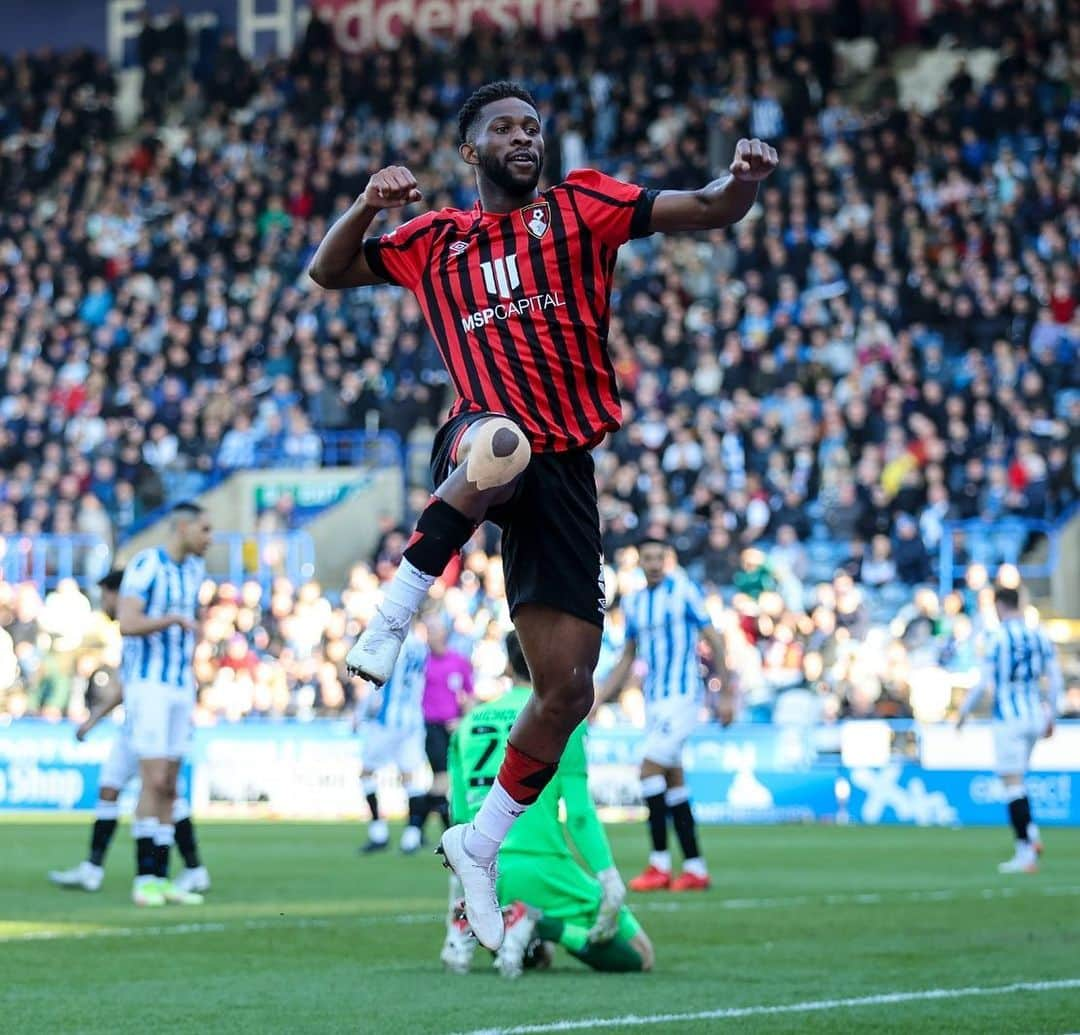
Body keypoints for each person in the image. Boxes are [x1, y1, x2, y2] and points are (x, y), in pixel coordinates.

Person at [309, 79, 777, 949]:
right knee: (500, 444)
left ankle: (478, 843)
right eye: (503, 127)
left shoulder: (582, 207)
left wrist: (742, 178)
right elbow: (328, 269)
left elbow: (709, 207)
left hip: (566, 470)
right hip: (484, 437)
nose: (524, 137)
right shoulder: (434, 239)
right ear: (470, 150)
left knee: (567, 687)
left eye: (532, 125)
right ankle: (392, 615)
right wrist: (367, 205)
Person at [443, 631, 653, 978]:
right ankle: (539, 922)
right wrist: (607, 875)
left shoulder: (468, 725)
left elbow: (460, 817)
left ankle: (501, 923)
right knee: (640, 956)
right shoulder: (561, 720)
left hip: (487, 877)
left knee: (540, 958)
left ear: (509, 665)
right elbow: (580, 814)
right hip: (543, 866)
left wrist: (460, 890)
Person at [48, 571, 210, 895]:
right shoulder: (133, 638)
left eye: (106, 596)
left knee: (164, 793)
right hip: (132, 725)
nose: (104, 604)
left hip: (153, 723)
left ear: (118, 594)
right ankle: (93, 868)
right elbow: (126, 685)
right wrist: (94, 720)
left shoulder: (143, 630)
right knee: (110, 789)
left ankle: (180, 871)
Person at [601, 538, 732, 892]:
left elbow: (713, 640)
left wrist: (727, 692)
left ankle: (659, 864)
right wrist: (598, 698)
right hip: (654, 700)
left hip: (685, 695)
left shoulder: (685, 591)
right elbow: (627, 657)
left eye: (660, 557)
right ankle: (695, 868)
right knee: (673, 781)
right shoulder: (635, 603)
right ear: (640, 561)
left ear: (668, 560)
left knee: (647, 768)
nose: (655, 563)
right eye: (649, 558)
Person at [116, 502, 212, 906]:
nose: (210, 538)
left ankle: (162, 875)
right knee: (153, 779)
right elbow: (128, 622)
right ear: (184, 527)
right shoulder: (146, 565)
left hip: (179, 686)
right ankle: (145, 878)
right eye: (205, 530)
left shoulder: (193, 570)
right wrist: (171, 620)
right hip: (149, 686)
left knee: (171, 785)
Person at [956, 585, 1062, 874]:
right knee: (1020, 780)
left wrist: (964, 712)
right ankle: (1032, 835)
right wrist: (1051, 712)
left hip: (1009, 717)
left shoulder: (997, 638)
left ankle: (1025, 851)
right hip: (1035, 715)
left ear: (999, 606)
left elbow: (983, 684)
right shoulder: (1039, 635)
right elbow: (1054, 678)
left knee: (1012, 784)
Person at [358, 622, 430, 854]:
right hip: (413, 720)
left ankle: (379, 833)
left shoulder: (390, 645)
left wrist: (361, 712)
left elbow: (376, 683)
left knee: (367, 772)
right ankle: (411, 836)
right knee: (410, 778)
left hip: (387, 720)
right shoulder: (421, 647)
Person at [421, 618, 475, 834]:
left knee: (445, 782)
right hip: (431, 727)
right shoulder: (422, 662)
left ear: (444, 634)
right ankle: (417, 829)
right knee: (442, 779)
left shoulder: (458, 662)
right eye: (429, 631)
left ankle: (420, 827)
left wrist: (463, 721)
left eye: (435, 631)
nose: (432, 636)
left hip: (453, 729)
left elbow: (470, 695)